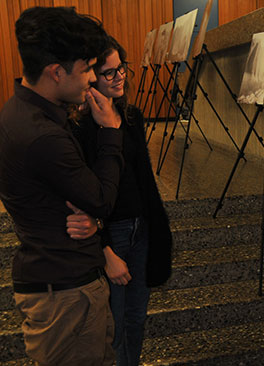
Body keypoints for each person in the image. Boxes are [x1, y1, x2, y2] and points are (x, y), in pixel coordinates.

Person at [0, 7, 123, 366]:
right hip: (66, 296)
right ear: (57, 72)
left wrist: (93, 223)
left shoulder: (22, 111)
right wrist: (110, 131)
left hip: (60, 283)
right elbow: (101, 199)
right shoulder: (42, 135)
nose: (91, 78)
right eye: (86, 68)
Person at [69, 36, 173, 366]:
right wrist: (105, 251)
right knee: (112, 326)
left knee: (136, 319)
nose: (120, 77)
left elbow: (145, 181)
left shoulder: (132, 117)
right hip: (110, 235)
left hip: (140, 229)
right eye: (109, 72)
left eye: (121, 68)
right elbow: (84, 198)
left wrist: (158, 231)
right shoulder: (81, 128)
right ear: (91, 79)